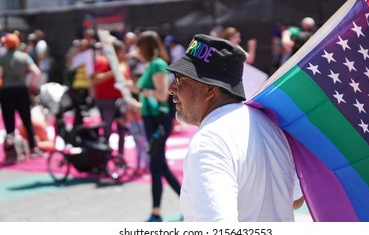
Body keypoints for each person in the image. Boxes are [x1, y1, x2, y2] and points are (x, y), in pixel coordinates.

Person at [166, 34, 301, 222]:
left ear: (210, 89)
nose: (171, 88)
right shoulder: (268, 124)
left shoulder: (209, 141)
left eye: (181, 80)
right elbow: (295, 199)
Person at [126, 30, 181, 222]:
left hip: (158, 121)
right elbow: (151, 99)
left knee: (157, 165)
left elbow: (161, 95)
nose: (137, 51)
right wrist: (135, 100)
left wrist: (137, 89)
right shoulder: (152, 65)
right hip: (152, 119)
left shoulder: (157, 65)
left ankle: (157, 212)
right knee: (159, 165)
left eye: (139, 47)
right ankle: (180, 205)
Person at [0, 33, 41, 156]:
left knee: (9, 121)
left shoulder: (2, 58)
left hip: (6, 91)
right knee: (26, 119)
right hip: (21, 90)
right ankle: (33, 147)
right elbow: (36, 72)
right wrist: (31, 84)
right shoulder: (24, 57)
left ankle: (11, 151)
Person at [92, 39, 130, 159]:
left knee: (122, 130)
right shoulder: (102, 61)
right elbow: (96, 79)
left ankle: (120, 156)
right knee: (107, 129)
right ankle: (105, 157)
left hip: (120, 101)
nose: (124, 53)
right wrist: (113, 72)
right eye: (121, 51)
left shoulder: (123, 63)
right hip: (105, 101)